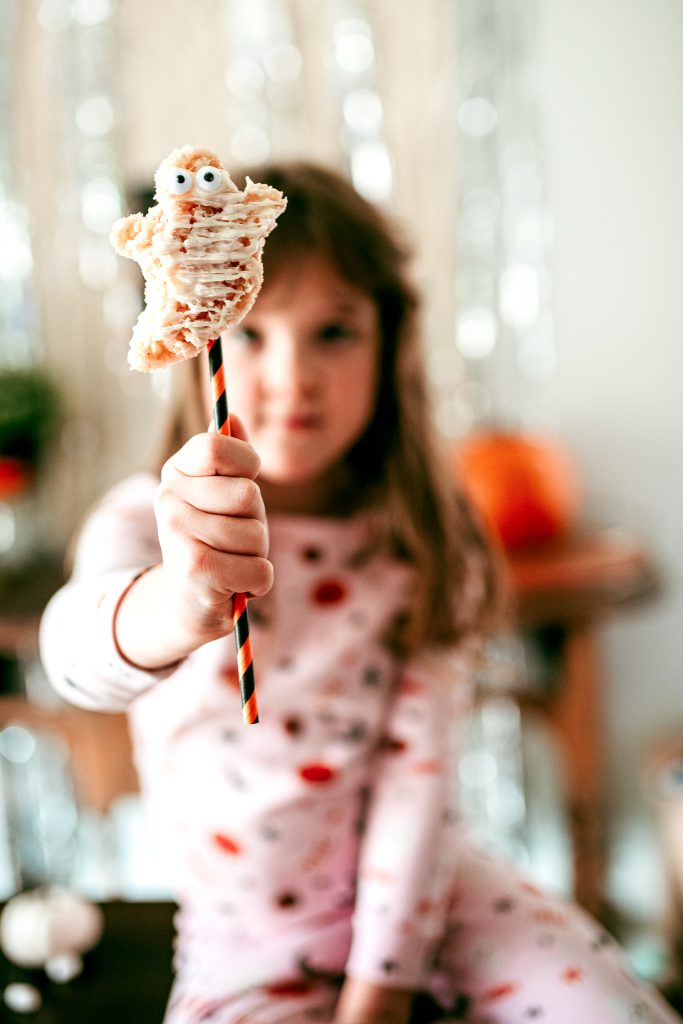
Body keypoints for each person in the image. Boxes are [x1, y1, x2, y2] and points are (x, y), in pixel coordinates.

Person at [40, 162, 680, 1024]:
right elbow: (72, 656)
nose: (292, 374)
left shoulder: (422, 541)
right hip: (242, 941)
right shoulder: (148, 520)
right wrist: (173, 604)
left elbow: (418, 782)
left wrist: (381, 991)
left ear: (390, 343)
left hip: (436, 898)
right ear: (194, 336)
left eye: (333, 332)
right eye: (254, 331)